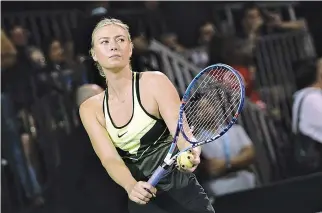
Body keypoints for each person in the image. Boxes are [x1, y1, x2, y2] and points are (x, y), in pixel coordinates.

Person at [79, 18, 215, 213]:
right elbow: (110, 159)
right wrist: (130, 186)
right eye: (105, 42)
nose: (114, 46)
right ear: (94, 54)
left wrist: (191, 151)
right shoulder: (90, 109)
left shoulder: (155, 82)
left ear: (131, 49)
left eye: (120, 40)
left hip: (184, 195)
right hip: (144, 203)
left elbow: (182, 133)